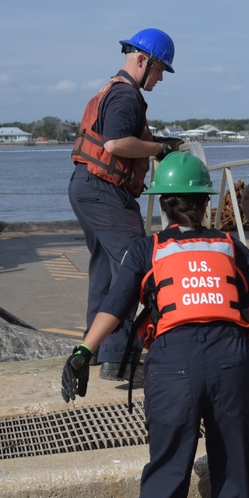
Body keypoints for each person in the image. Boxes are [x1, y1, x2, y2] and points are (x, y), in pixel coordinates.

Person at [60, 152, 249, 498]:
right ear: (205, 203)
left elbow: (116, 303)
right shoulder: (232, 247)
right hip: (231, 363)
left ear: (162, 203)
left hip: (172, 366)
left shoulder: (148, 249)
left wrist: (83, 351)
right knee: (232, 461)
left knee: (167, 465)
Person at [69, 27, 181, 382]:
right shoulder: (125, 96)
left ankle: (100, 350)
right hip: (103, 190)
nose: (161, 78)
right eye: (160, 69)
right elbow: (117, 144)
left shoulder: (112, 91)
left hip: (88, 187)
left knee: (105, 272)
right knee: (135, 266)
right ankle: (118, 357)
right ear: (142, 60)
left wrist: (155, 142)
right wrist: (160, 148)